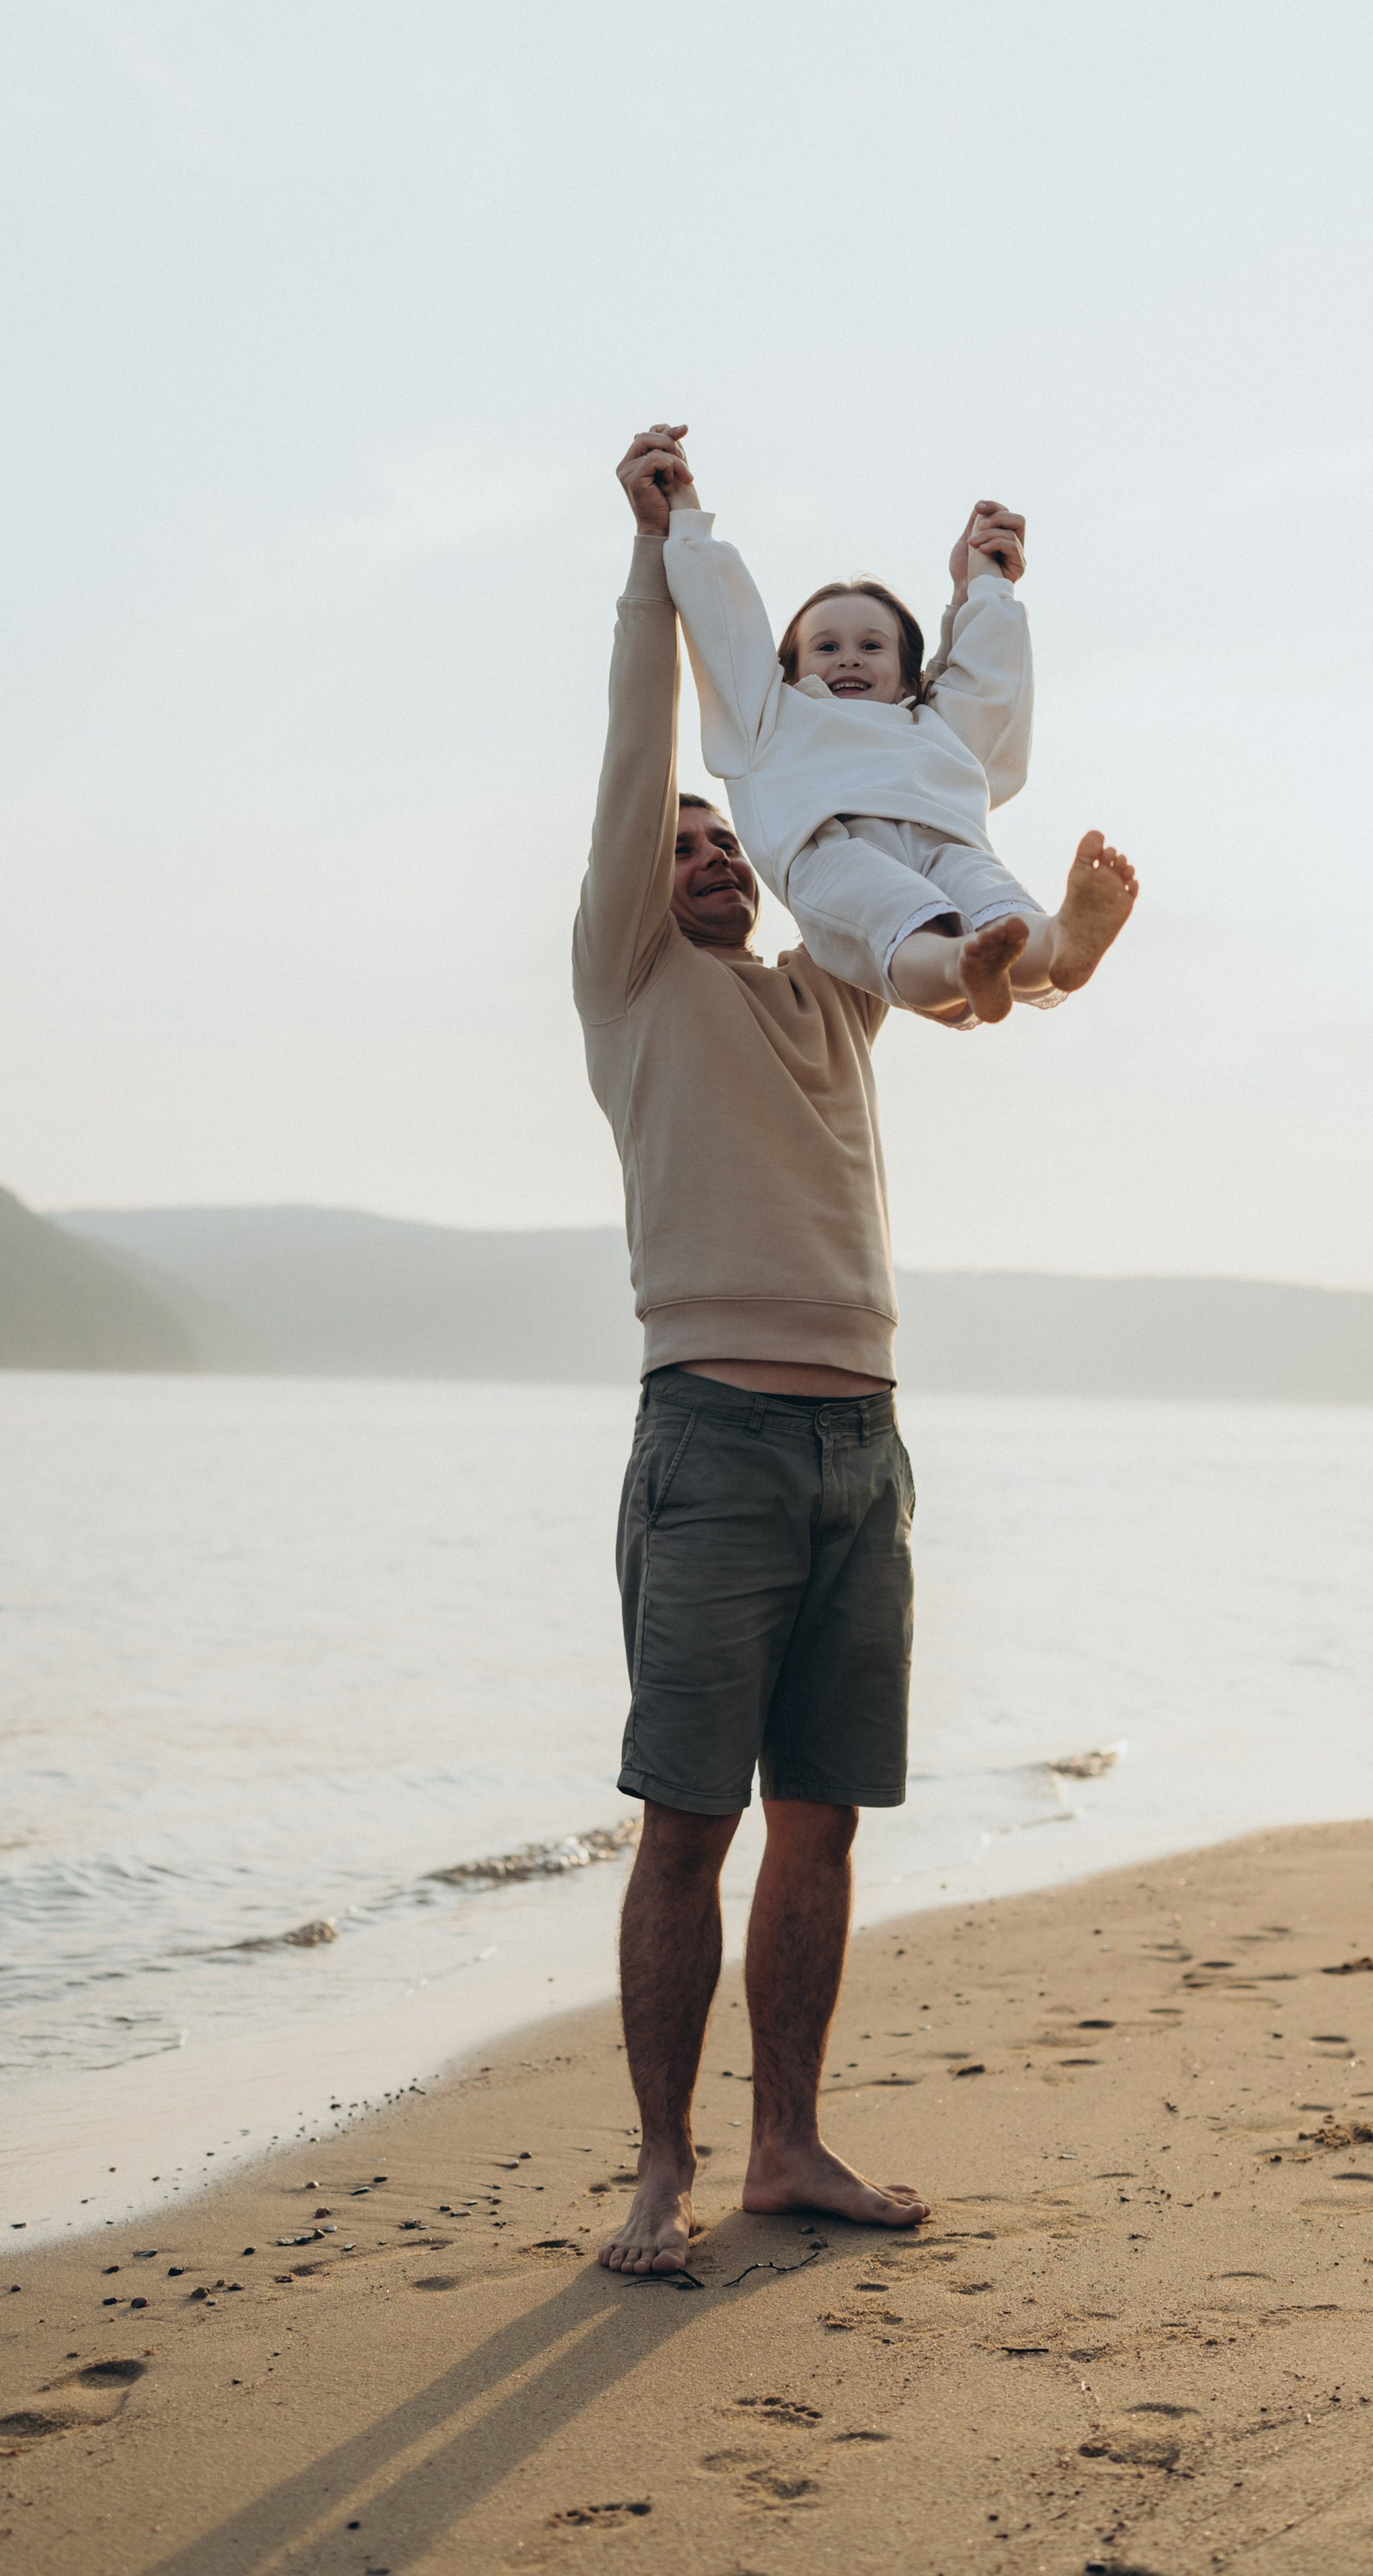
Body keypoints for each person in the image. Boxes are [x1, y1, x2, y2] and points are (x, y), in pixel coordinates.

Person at [573, 421, 933, 2278]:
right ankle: (660, 2166)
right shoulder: (629, 986)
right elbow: (650, 749)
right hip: (710, 1441)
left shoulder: (829, 990)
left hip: (862, 1455)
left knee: (822, 1822)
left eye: (729, 841)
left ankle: (787, 2145)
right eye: (683, 843)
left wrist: (969, 618)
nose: (706, 854)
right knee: (685, 1821)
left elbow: (895, 831)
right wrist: (657, 568)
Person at [658, 460, 1138, 1027]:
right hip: (835, 848)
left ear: (912, 680)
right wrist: (686, 522)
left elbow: (989, 680)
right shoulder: (769, 718)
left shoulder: (932, 728)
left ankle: (1061, 943)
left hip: (947, 842)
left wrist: (988, 585)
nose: (849, 658)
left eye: (871, 645)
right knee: (895, 916)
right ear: (786, 674)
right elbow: (724, 624)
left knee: (998, 904)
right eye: (827, 647)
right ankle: (965, 968)